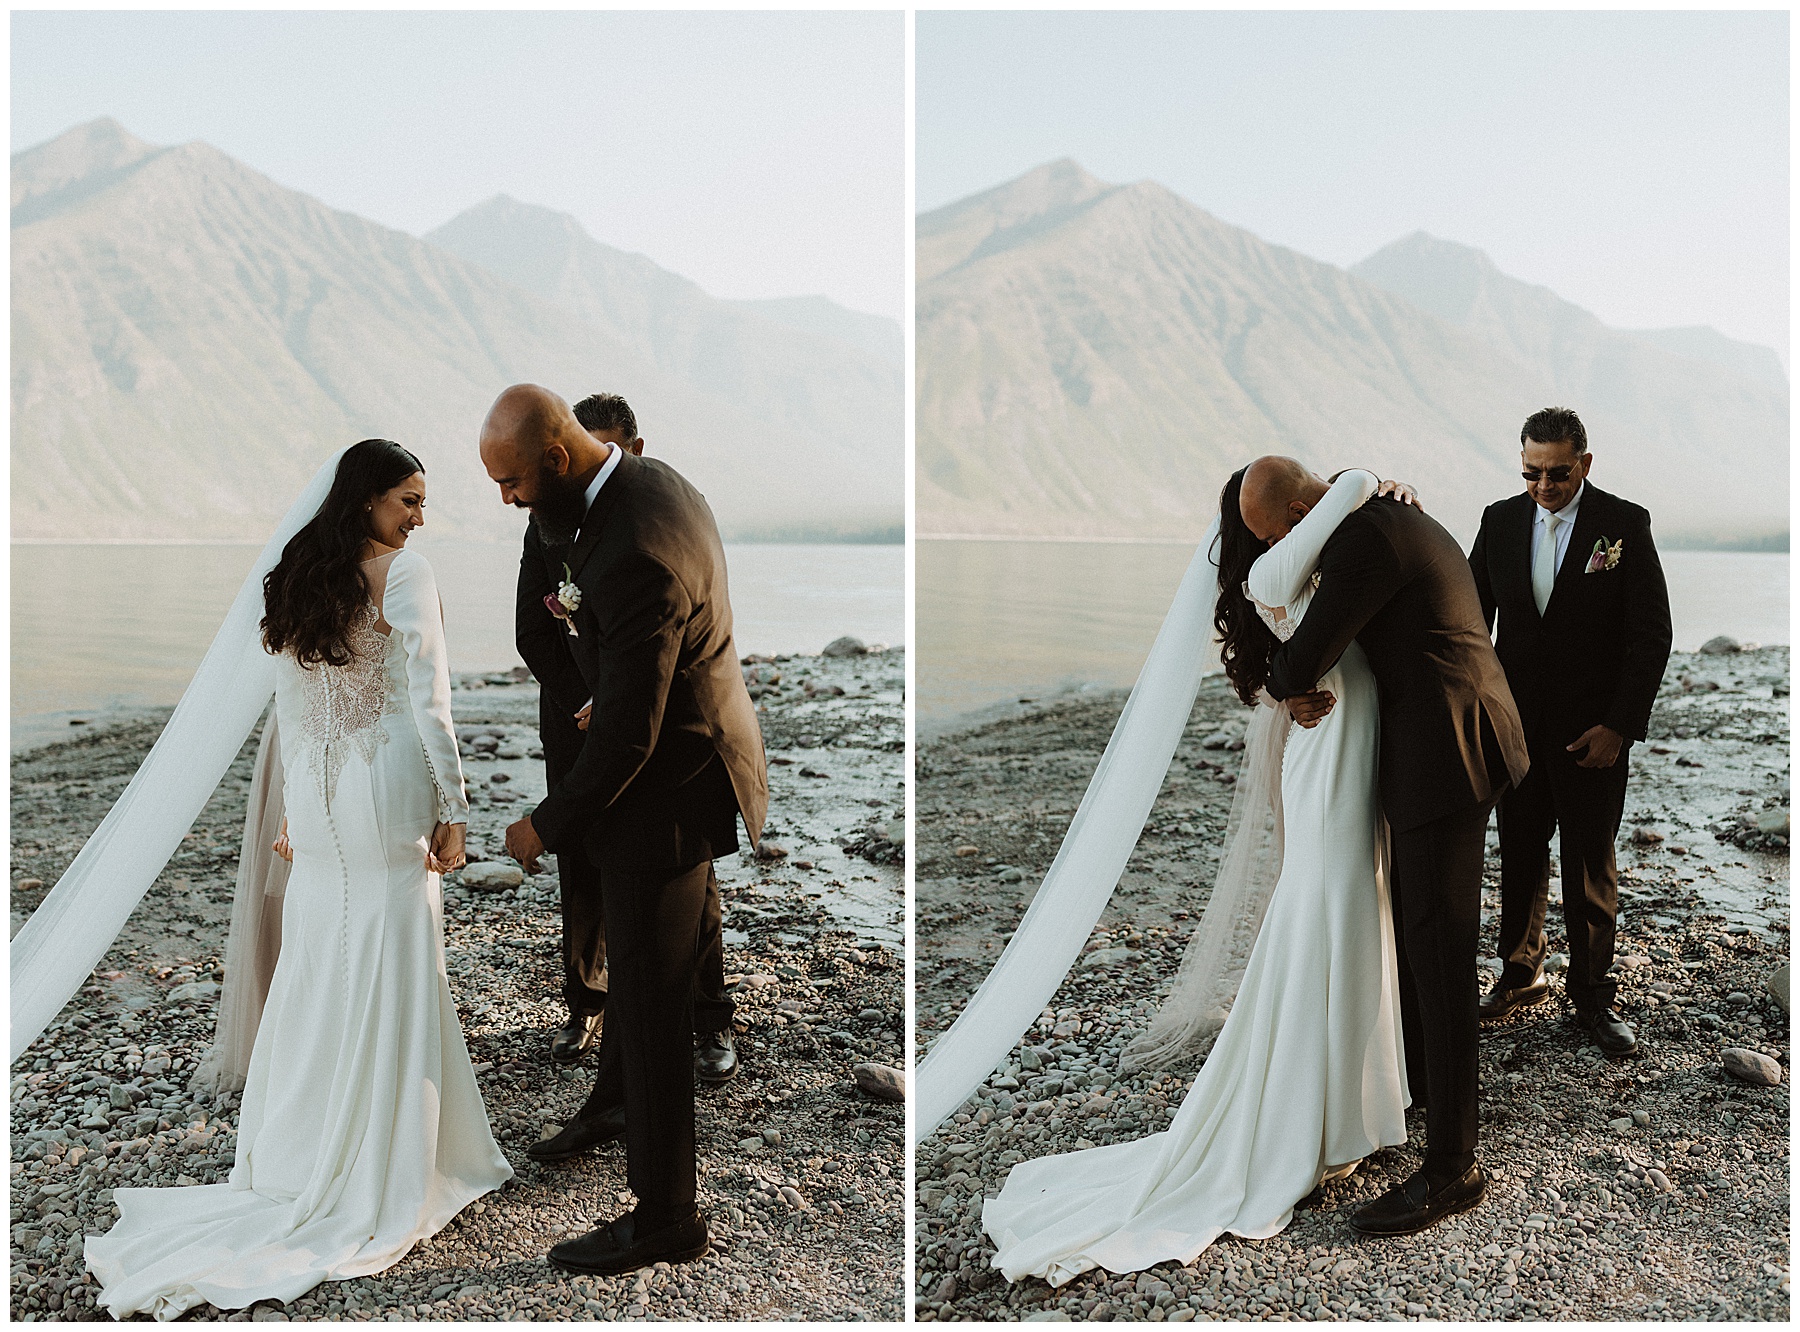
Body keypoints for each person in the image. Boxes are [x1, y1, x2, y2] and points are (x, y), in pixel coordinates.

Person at [81, 440, 511, 1318]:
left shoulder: (292, 575)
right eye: (408, 500)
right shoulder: (406, 573)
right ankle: (386, 1162)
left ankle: (298, 1152)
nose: (420, 519)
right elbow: (428, 699)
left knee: (322, 962)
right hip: (383, 783)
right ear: (366, 501)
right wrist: (456, 807)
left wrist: (287, 815)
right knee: (392, 950)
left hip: (315, 794)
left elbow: (293, 701)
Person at [982, 467, 1417, 1284]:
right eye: (1266, 528)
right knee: (1327, 911)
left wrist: (1362, 496)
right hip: (1329, 765)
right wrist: (1357, 480)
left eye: (1284, 521)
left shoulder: (1326, 552)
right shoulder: (1272, 571)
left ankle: (1348, 1110)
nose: (1280, 535)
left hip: (1352, 750)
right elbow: (1289, 569)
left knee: (1358, 912)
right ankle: (1308, 1121)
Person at [479, 385, 768, 1275]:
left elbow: (635, 732)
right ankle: (614, 1108)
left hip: (671, 788)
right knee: (639, 996)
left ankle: (666, 1219)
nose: (508, 501)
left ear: (558, 458)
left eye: (514, 481)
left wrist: (544, 826)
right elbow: (551, 624)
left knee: (647, 1004)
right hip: (631, 768)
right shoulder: (604, 492)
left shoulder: (641, 539)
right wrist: (593, 681)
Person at [1260, 456, 1529, 1237]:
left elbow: (1299, 661)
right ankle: (1414, 1099)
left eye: (1277, 532)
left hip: (1447, 753)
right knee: (1421, 944)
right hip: (1450, 736)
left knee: (1439, 956)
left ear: (1307, 508)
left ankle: (1453, 1169)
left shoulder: (1363, 543)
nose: (1283, 548)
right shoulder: (1376, 519)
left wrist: (1283, 674)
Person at [522, 392, 736, 1083]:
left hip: (652, 725)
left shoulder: (657, 517)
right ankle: (586, 1004)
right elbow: (533, 630)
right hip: (575, 714)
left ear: (629, 449)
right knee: (581, 868)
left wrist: (616, 704)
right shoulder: (546, 522)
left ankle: (708, 1018)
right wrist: (586, 700)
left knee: (687, 873)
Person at [1467, 407, 1671, 1056]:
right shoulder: (1499, 521)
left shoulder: (1623, 524)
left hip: (1594, 735)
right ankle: (1520, 976)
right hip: (1517, 733)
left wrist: (1619, 726)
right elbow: (1470, 623)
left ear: (1583, 462)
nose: (1544, 486)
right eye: (1531, 473)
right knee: (1521, 857)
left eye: (1557, 472)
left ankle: (1591, 998)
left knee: (1590, 868)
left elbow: (1650, 635)